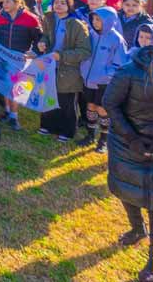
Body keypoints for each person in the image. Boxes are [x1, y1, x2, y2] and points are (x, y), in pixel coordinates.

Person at [102, 45, 153, 282]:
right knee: (125, 187)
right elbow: (110, 103)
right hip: (126, 141)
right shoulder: (129, 71)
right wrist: (132, 138)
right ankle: (137, 228)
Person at [35, 0, 91, 142]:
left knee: (66, 101)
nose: (58, 5)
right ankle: (48, 125)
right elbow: (45, 36)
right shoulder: (49, 19)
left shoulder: (77, 25)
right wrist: (42, 42)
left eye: (62, 3)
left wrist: (62, 56)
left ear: (69, 6)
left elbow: (84, 51)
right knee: (48, 97)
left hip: (69, 70)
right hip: (49, 66)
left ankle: (67, 131)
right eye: (56, 2)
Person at [0, 0, 42, 130]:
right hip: (3, 58)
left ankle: (14, 117)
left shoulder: (30, 18)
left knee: (16, 89)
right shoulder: (1, 18)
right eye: (3, 2)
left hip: (20, 59)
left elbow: (39, 39)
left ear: (17, 2)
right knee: (6, 86)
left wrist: (35, 52)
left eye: (7, 2)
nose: (4, 5)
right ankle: (8, 112)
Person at [79, 7, 129, 152]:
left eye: (99, 20)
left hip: (104, 82)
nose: (95, 22)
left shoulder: (116, 39)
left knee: (102, 109)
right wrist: (83, 69)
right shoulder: (91, 35)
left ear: (109, 21)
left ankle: (103, 140)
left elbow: (120, 64)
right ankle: (90, 135)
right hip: (88, 80)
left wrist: (104, 74)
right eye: (94, 19)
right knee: (90, 106)